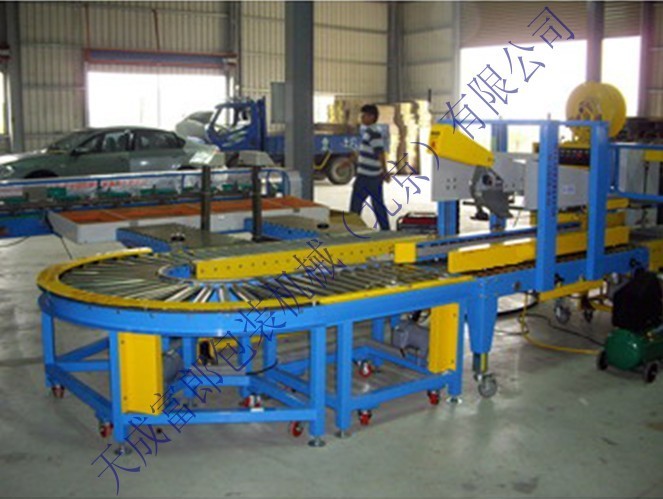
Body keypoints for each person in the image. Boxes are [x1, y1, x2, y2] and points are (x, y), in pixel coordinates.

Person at [348, 104, 390, 231]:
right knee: (377, 205)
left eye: (364, 115)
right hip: (369, 175)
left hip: (369, 177)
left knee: (356, 206)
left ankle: (353, 229)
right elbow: (366, 152)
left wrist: (385, 172)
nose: (361, 118)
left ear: (372, 117)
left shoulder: (373, 133)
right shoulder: (368, 132)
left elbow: (380, 153)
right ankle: (385, 229)